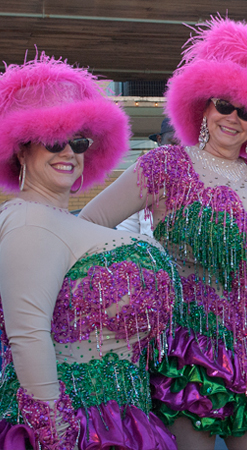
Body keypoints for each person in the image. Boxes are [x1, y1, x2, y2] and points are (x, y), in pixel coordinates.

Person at [79, 17, 247, 450]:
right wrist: (137, 281)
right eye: (223, 104)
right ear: (203, 105)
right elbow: (88, 225)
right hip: (187, 352)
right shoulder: (166, 165)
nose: (233, 117)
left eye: (246, 111)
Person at [0, 54, 178, 450]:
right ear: (20, 149)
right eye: (53, 140)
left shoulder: (61, 221)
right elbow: (28, 337)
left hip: (119, 417)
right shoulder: (29, 220)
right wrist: (56, 435)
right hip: (80, 426)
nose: (69, 152)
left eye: (78, 142)